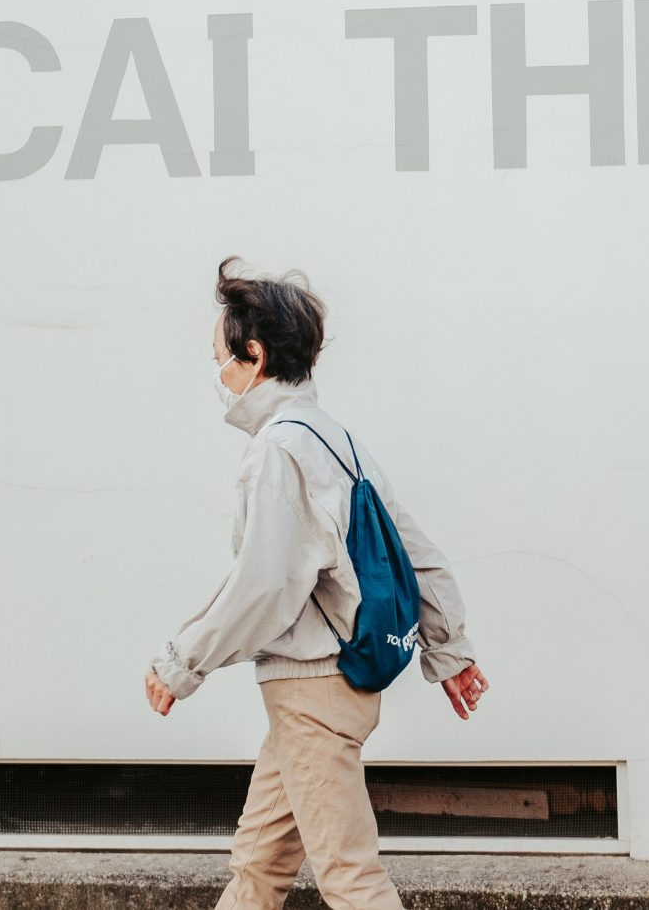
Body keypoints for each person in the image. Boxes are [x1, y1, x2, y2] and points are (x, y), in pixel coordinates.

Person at [146, 256, 489, 910]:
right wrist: (449, 648)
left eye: (220, 355)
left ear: (253, 354)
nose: (216, 373)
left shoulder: (280, 448)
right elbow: (416, 552)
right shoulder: (334, 438)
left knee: (351, 879)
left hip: (312, 691)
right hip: (323, 693)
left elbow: (263, 588)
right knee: (257, 867)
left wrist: (180, 661)